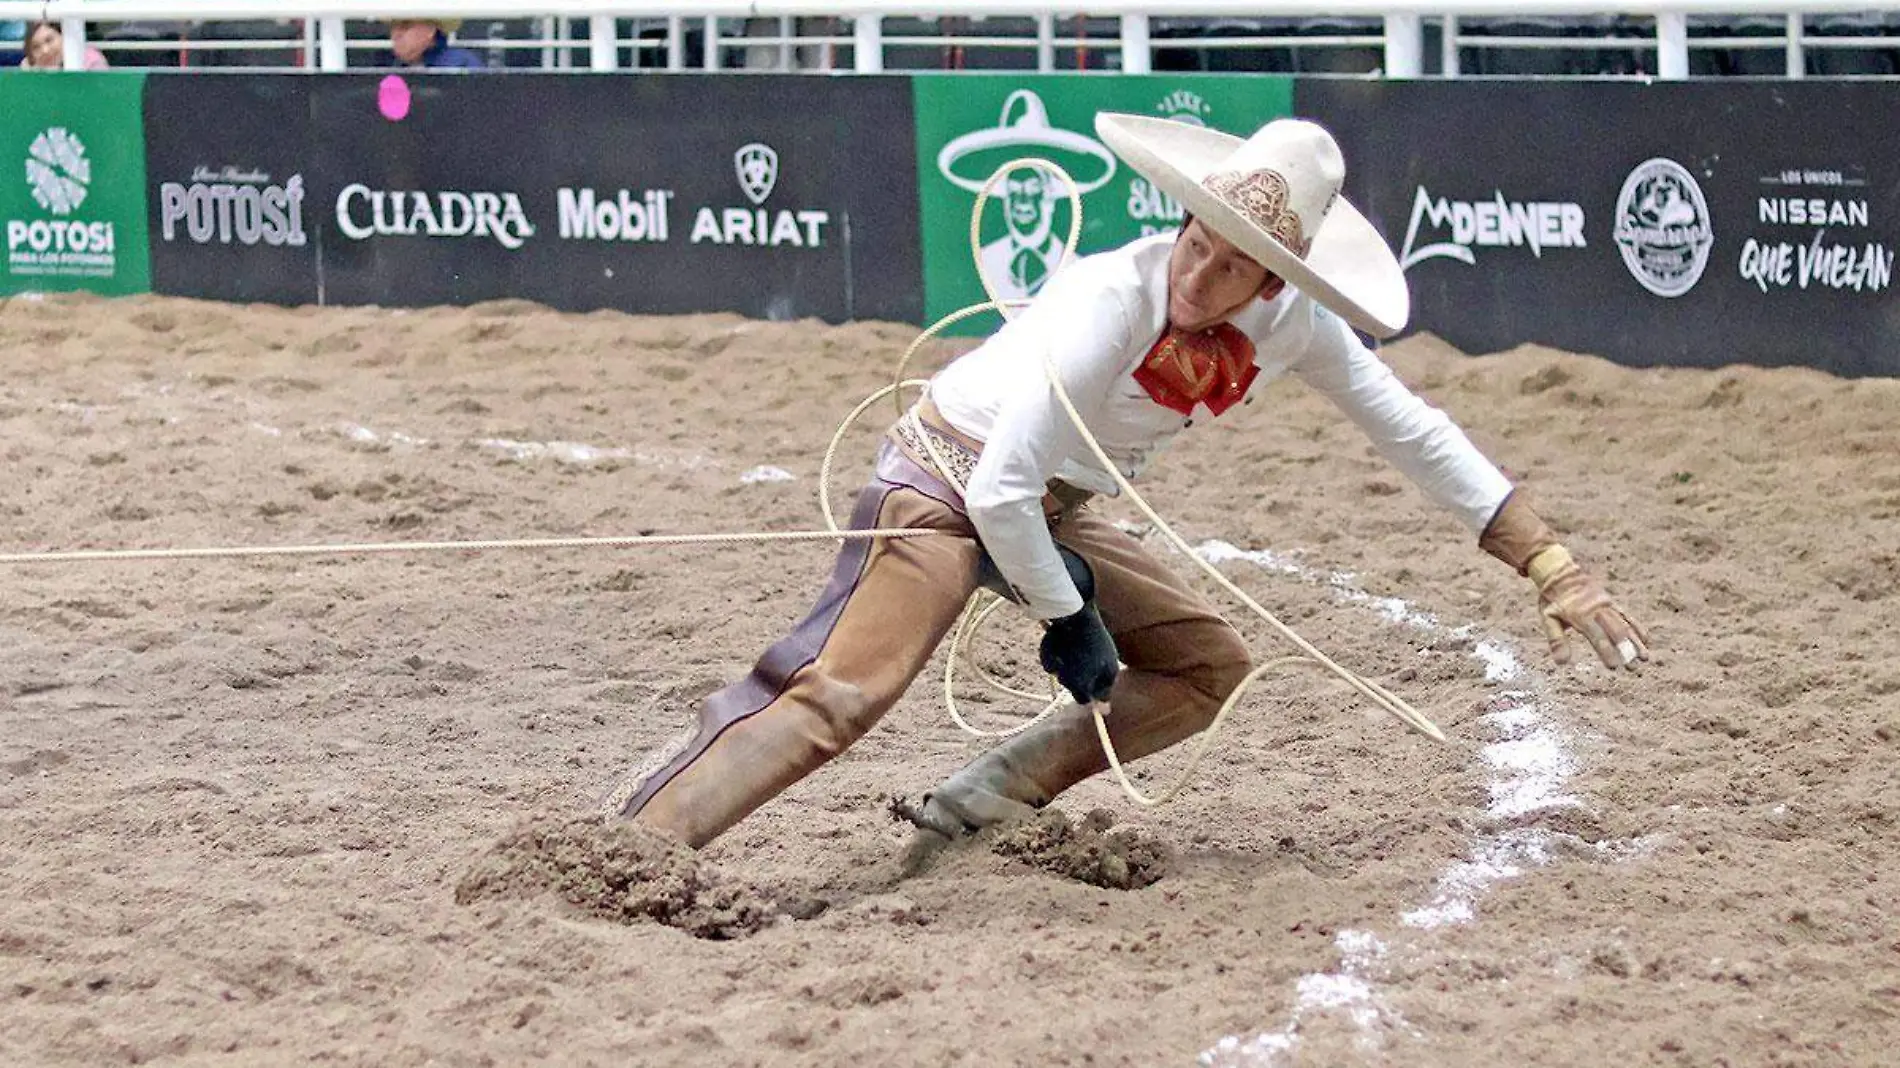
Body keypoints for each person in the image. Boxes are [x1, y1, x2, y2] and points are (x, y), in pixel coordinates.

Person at [610, 114, 1650, 849]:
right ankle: (635, 847)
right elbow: (1001, 487)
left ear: (1277, 282)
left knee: (1204, 669)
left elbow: (1414, 434)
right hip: (947, 483)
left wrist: (1547, 563)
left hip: (1048, 507)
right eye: (1196, 244)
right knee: (840, 695)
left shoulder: (1298, 333)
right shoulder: (1112, 293)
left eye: (1231, 266)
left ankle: (983, 799)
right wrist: (1068, 615)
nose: (1198, 277)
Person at [386, 18, 484, 70]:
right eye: (393, 26)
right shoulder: (392, 69)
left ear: (430, 30)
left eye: (405, 26)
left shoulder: (462, 65)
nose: (396, 34)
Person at [18, 21, 111, 70]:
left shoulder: (91, 60)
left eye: (49, 40)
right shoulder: (30, 69)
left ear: (62, 36)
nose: (45, 50)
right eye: (36, 47)